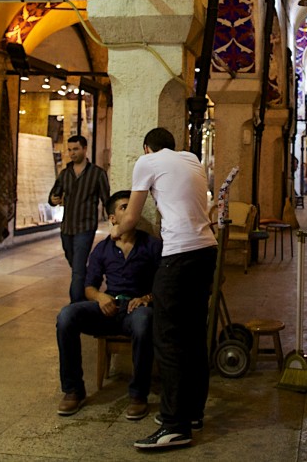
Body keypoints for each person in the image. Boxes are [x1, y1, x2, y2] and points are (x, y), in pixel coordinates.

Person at [115, 127, 217, 450]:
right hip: (206, 251)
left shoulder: (146, 162)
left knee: (168, 337)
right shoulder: (192, 160)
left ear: (147, 148)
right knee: (193, 335)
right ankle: (192, 413)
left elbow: (131, 217)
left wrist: (115, 231)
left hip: (179, 256)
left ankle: (175, 425)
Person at [56, 190, 162, 421]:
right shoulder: (102, 249)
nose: (130, 211)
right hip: (109, 307)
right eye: (124, 207)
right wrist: (100, 298)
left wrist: (147, 298)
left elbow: (165, 284)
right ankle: (73, 390)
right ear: (113, 218)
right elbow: (89, 286)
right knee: (66, 316)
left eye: (132, 207)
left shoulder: (151, 245)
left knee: (144, 321)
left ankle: (138, 396)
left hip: (136, 310)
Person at [49, 135, 110, 302]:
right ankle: (90, 284)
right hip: (67, 227)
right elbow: (53, 195)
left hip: (86, 227)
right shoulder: (65, 173)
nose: (72, 153)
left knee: (77, 269)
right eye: (69, 150)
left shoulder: (97, 174)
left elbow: (107, 199)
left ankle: (75, 303)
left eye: (75, 149)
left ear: (84, 149)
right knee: (77, 265)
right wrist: (53, 200)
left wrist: (115, 220)